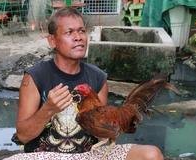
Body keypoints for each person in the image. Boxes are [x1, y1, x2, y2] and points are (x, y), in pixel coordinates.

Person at [10, 7, 164, 160]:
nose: (78, 37)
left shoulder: (98, 77)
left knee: (152, 154)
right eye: (69, 32)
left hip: (89, 155)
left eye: (82, 31)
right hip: (45, 156)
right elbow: (23, 136)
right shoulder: (34, 77)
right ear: (52, 41)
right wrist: (48, 109)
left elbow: (102, 132)